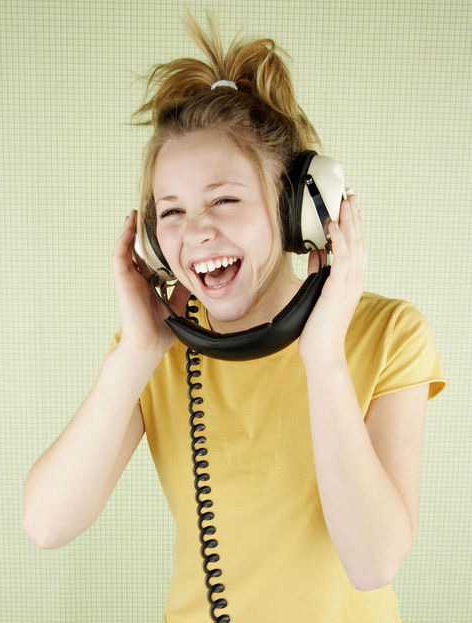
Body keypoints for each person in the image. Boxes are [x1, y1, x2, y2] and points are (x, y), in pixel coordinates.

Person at [23, 12, 446, 623]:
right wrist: (137, 353)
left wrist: (323, 354)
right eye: (170, 212)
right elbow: (46, 524)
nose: (196, 232)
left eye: (225, 199)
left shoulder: (389, 334)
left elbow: (373, 561)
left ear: (298, 206)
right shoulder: (154, 350)